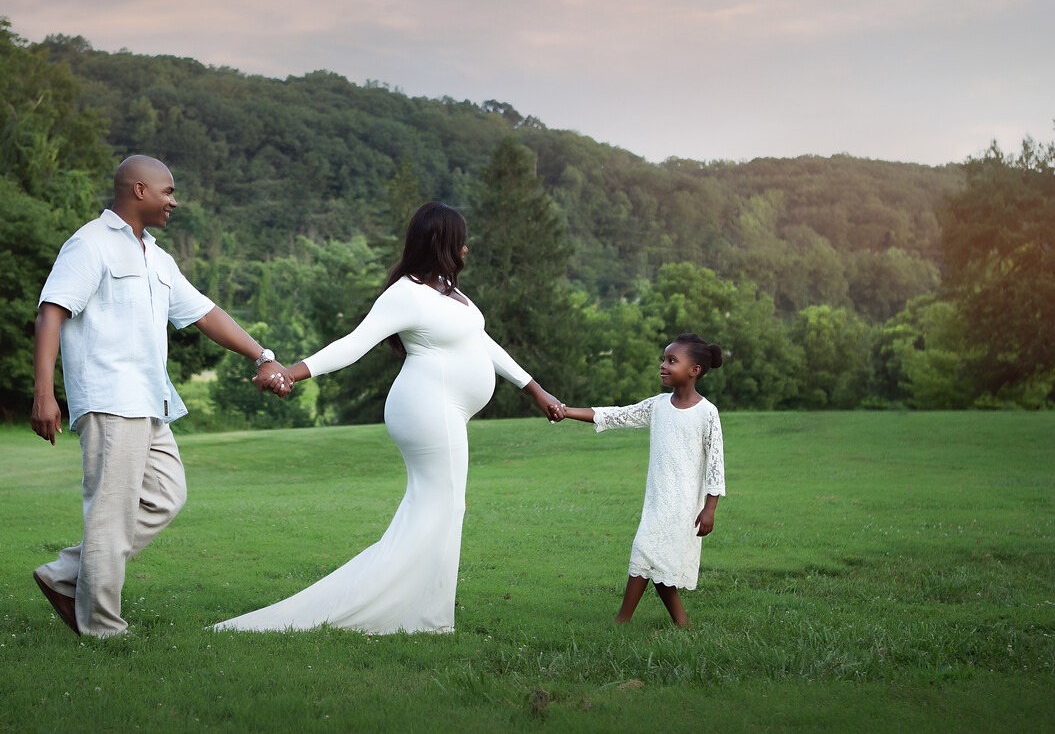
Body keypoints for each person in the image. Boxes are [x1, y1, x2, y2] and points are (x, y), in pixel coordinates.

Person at [213, 201, 561, 634]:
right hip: (427, 406)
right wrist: (292, 373)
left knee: (441, 508)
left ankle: (424, 613)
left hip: (445, 407)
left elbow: (483, 343)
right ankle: (416, 617)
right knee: (443, 506)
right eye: (460, 240)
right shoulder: (405, 294)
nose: (467, 248)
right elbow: (353, 344)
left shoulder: (451, 292)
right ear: (441, 242)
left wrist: (534, 389)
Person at [30, 155, 286, 638]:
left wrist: (262, 356)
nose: (175, 200)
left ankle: (65, 575)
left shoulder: (155, 256)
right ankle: (102, 628)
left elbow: (206, 313)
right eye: (168, 191)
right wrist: (45, 393)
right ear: (140, 191)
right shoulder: (89, 245)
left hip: (150, 401)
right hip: (109, 398)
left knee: (166, 496)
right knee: (111, 512)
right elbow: (51, 313)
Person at [550, 334, 726, 627]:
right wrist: (567, 411)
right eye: (664, 359)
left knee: (647, 554)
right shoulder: (657, 406)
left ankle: (622, 621)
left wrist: (710, 508)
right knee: (653, 561)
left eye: (672, 360)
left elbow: (716, 465)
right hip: (658, 500)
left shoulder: (707, 413)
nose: (663, 365)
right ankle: (682, 624)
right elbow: (617, 415)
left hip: (685, 506)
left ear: (694, 370)